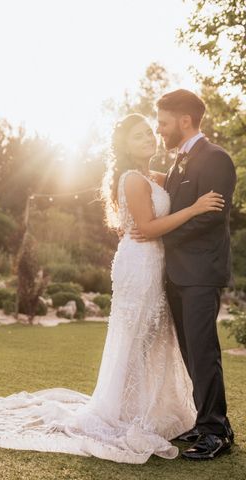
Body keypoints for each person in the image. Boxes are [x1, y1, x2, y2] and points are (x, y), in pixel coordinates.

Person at [0, 112, 226, 464]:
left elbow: (167, 203)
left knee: (153, 338)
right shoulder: (132, 178)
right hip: (139, 264)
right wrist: (196, 208)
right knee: (135, 336)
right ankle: (122, 414)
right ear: (124, 145)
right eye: (138, 136)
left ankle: (148, 410)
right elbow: (149, 228)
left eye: (150, 133)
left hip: (158, 266)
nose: (149, 138)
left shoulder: (157, 177)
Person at [130, 89, 235, 460]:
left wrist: (160, 233)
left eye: (162, 122)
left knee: (204, 351)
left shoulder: (216, 159)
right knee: (191, 352)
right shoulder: (178, 163)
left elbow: (211, 216)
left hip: (201, 273)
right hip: (176, 274)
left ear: (184, 120)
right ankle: (209, 421)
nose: (159, 130)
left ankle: (215, 432)